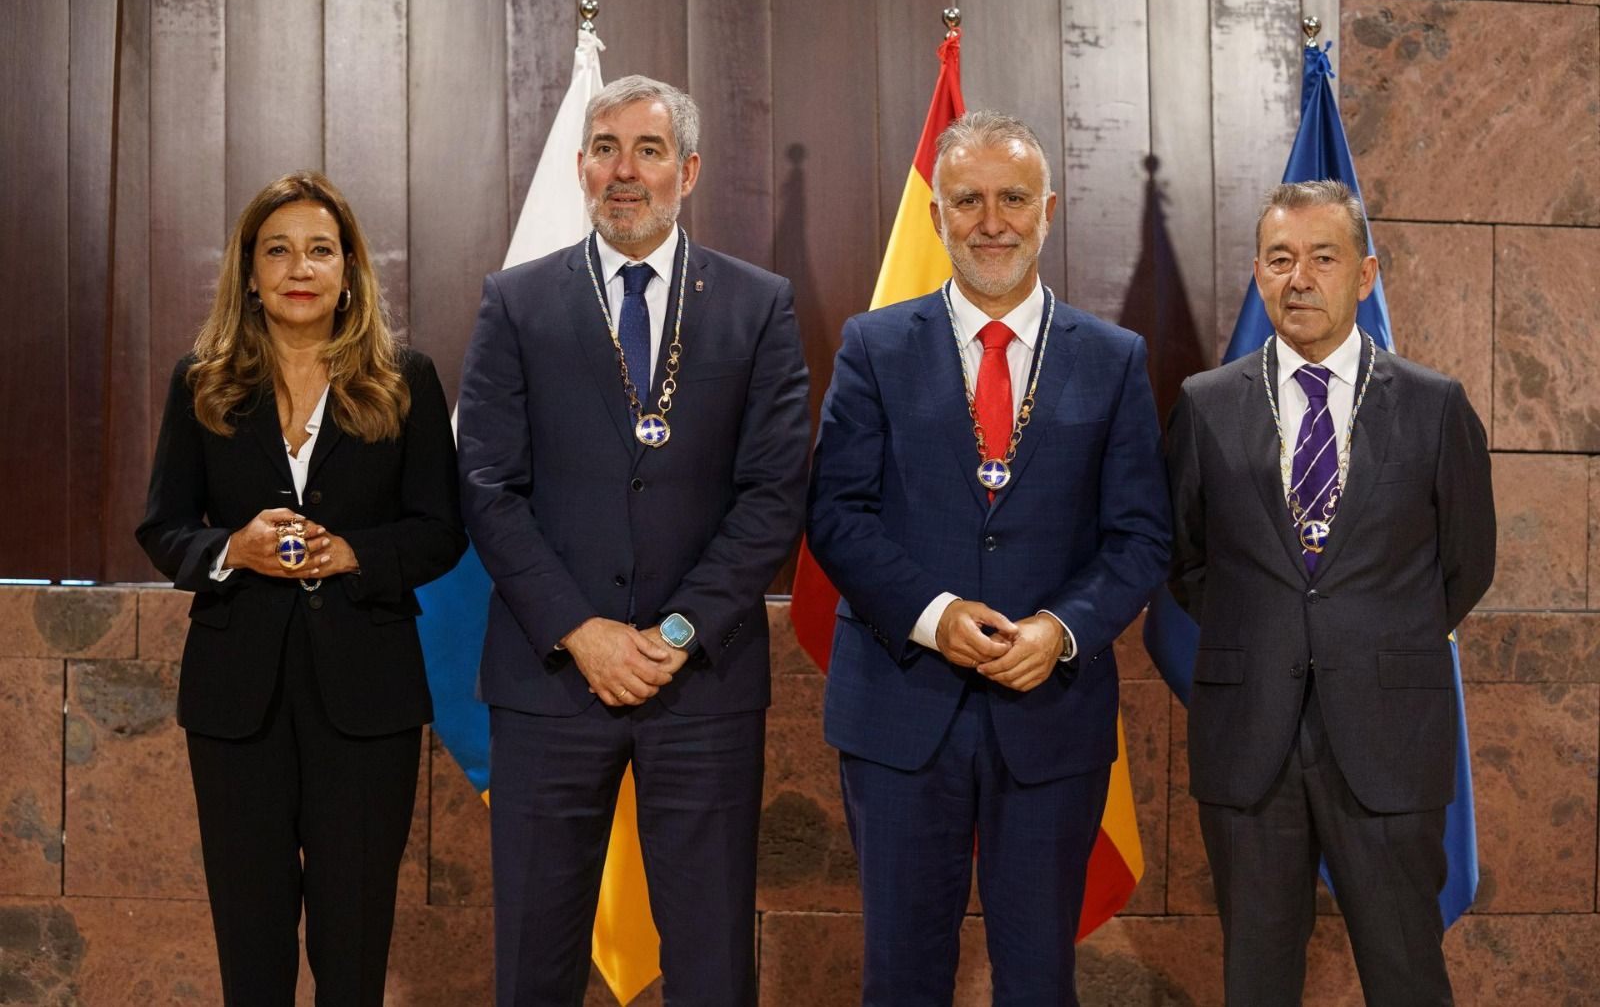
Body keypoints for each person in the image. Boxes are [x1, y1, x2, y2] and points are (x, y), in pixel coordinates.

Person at [457, 74, 810, 1006]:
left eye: (648, 150)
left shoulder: (756, 304)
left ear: (686, 171)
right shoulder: (518, 302)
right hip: (550, 681)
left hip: (702, 682)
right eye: (606, 148)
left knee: (711, 961)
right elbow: (488, 488)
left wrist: (677, 633)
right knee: (535, 958)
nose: (626, 170)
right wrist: (583, 632)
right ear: (580, 168)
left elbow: (774, 494)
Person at [806, 110, 1171, 1005]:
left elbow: (1141, 536)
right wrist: (933, 616)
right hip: (899, 709)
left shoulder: (1116, 359)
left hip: (1051, 715)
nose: (991, 220)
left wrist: (1063, 629)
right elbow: (836, 513)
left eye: (1012, 199)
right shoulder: (873, 346)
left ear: (1047, 209)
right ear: (936, 218)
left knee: (1040, 979)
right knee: (900, 975)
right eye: (966, 200)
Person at [136, 170, 466, 1005]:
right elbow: (163, 526)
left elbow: (442, 530)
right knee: (251, 940)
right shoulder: (202, 380)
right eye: (277, 250)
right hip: (234, 700)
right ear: (249, 272)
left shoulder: (405, 379)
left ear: (349, 269)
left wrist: (354, 554)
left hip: (368, 697)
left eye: (321, 250)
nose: (299, 267)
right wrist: (230, 550)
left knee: (353, 942)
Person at [1166, 179, 1495, 1004]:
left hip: (1387, 740)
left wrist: (1370, 640)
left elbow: (1466, 562)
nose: (1299, 278)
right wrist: (1270, 634)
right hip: (1250, 745)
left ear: (1366, 274)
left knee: (1407, 976)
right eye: (1280, 259)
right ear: (1257, 272)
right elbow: (1183, 560)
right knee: (1257, 978)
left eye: (1322, 257)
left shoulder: (1434, 406)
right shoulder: (1204, 408)